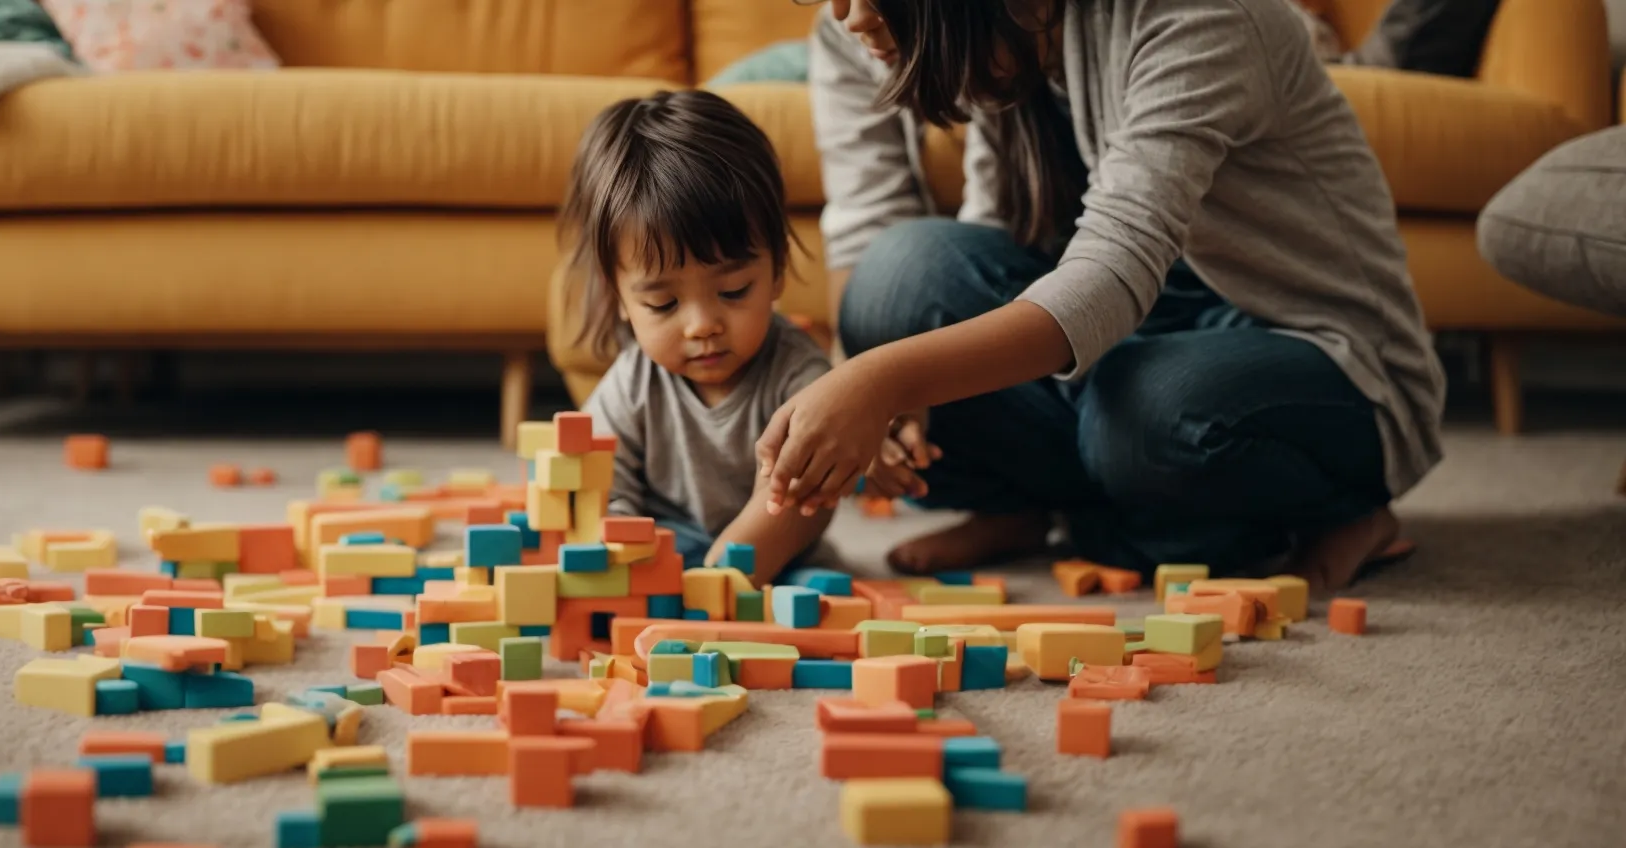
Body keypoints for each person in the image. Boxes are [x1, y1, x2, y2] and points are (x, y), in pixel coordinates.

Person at [760, 0, 1444, 593]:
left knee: (1151, 413)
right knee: (900, 281)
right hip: (1125, 354)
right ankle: (1077, 509)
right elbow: (993, 241)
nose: (848, 15)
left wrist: (879, 380)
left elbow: (1112, 277)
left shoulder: (1198, 19)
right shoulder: (1008, 40)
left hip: (1313, 354)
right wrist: (903, 383)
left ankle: (1339, 507)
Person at [563, 88, 837, 582]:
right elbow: (599, 489)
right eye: (663, 303)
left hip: (774, 555)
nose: (701, 326)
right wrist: (619, 549)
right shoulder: (631, 384)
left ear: (776, 270)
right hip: (667, 546)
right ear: (620, 298)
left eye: (733, 291)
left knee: (816, 597)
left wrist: (716, 582)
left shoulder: (798, 375)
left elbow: (798, 499)